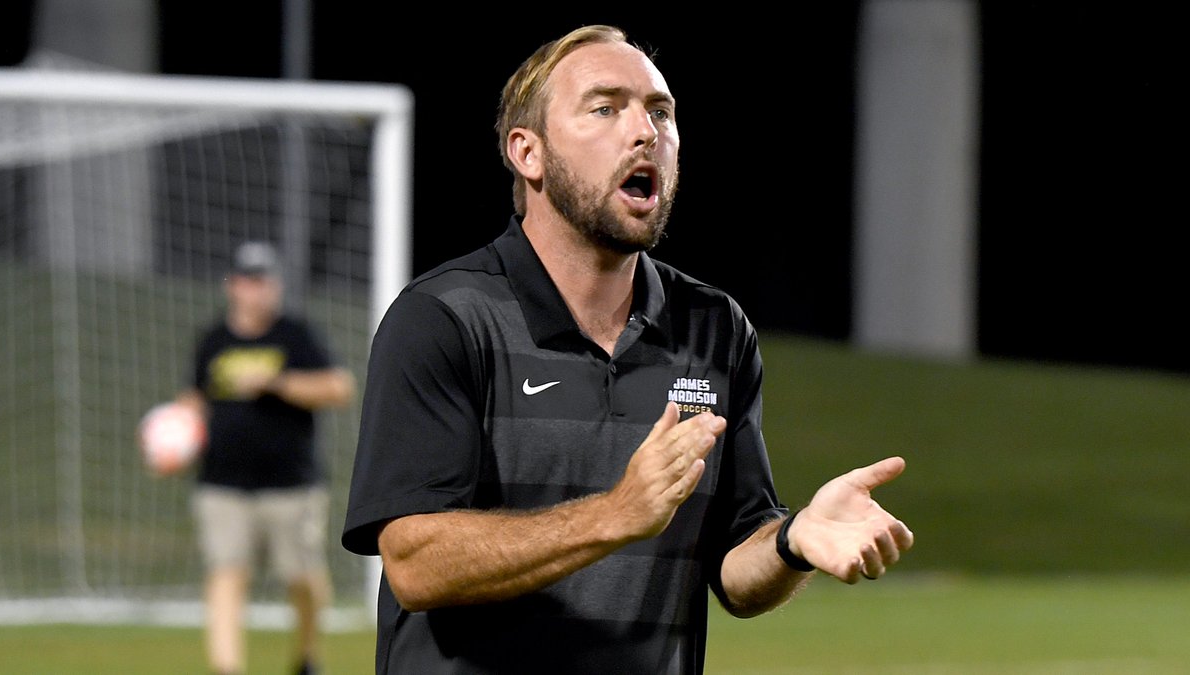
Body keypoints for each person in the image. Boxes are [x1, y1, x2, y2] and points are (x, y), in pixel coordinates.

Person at [341, 24, 914, 674]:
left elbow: (733, 569)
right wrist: (615, 513)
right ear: (528, 153)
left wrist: (792, 540)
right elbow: (416, 561)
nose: (645, 131)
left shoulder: (715, 327)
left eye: (660, 111)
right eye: (605, 107)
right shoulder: (444, 318)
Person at [177, 240, 355, 675]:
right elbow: (194, 400)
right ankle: (226, 668)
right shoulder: (213, 340)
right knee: (226, 572)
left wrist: (276, 383)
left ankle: (308, 656)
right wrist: (173, 437)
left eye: (265, 280)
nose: (257, 290)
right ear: (232, 285)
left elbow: (338, 387)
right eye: (248, 280)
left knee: (303, 580)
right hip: (222, 483)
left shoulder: (294, 335)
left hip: (289, 485)